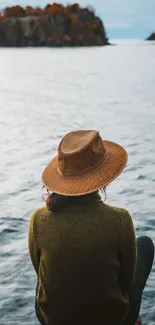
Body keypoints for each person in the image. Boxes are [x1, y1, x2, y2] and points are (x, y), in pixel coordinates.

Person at [28, 130, 154, 325]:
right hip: (113, 319)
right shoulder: (119, 219)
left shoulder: (38, 218)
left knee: (47, 266)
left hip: (51, 319)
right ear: (102, 175)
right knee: (145, 244)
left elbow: (38, 270)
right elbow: (125, 280)